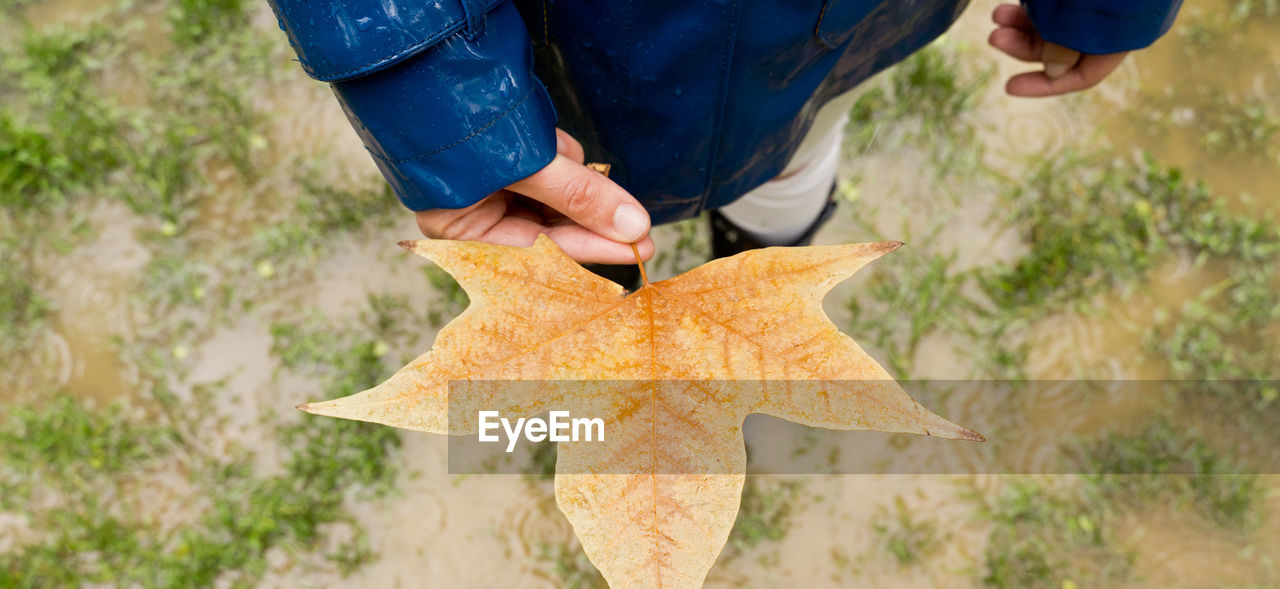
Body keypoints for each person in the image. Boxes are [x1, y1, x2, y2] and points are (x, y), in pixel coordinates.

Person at [265, 0, 1181, 282]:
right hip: (563, 50)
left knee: (795, 152)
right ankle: (609, 354)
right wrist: (442, 91)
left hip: (828, 39)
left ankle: (751, 292)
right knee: (571, 237)